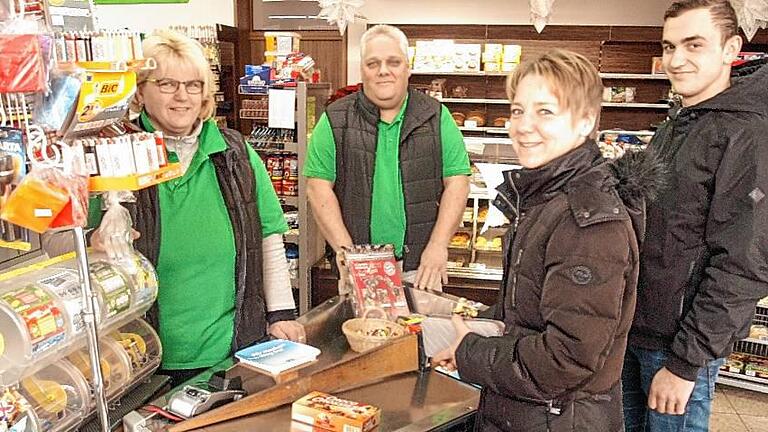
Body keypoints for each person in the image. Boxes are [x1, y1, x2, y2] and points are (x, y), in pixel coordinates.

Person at [47, 30, 305, 387]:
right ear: (140, 91)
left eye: (194, 85)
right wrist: (93, 241)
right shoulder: (106, 153)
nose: (183, 96)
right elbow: (55, 243)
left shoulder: (236, 154)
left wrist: (280, 314)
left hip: (232, 351)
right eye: (167, 84)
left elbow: (269, 237)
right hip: (138, 356)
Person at [432, 49, 657, 432]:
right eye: (517, 110)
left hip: (559, 419)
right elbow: (534, 314)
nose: (522, 125)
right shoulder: (546, 200)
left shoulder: (587, 222)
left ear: (586, 121)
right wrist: (481, 326)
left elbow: (565, 359)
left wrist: (470, 351)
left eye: (545, 111)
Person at [622, 1, 768, 431]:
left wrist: (686, 363)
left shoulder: (746, 133)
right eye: (669, 46)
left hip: (676, 347)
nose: (676, 59)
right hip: (638, 331)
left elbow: (744, 261)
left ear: (731, 49)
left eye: (694, 44)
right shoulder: (682, 121)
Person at [303, 24, 470, 290]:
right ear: (362, 70)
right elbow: (318, 187)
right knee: (362, 333)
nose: (383, 70)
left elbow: (457, 182)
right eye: (373, 63)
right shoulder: (335, 118)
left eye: (393, 62)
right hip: (359, 266)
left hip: (422, 268)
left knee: (421, 332)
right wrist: (347, 254)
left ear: (407, 67)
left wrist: (438, 246)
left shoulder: (437, 116)